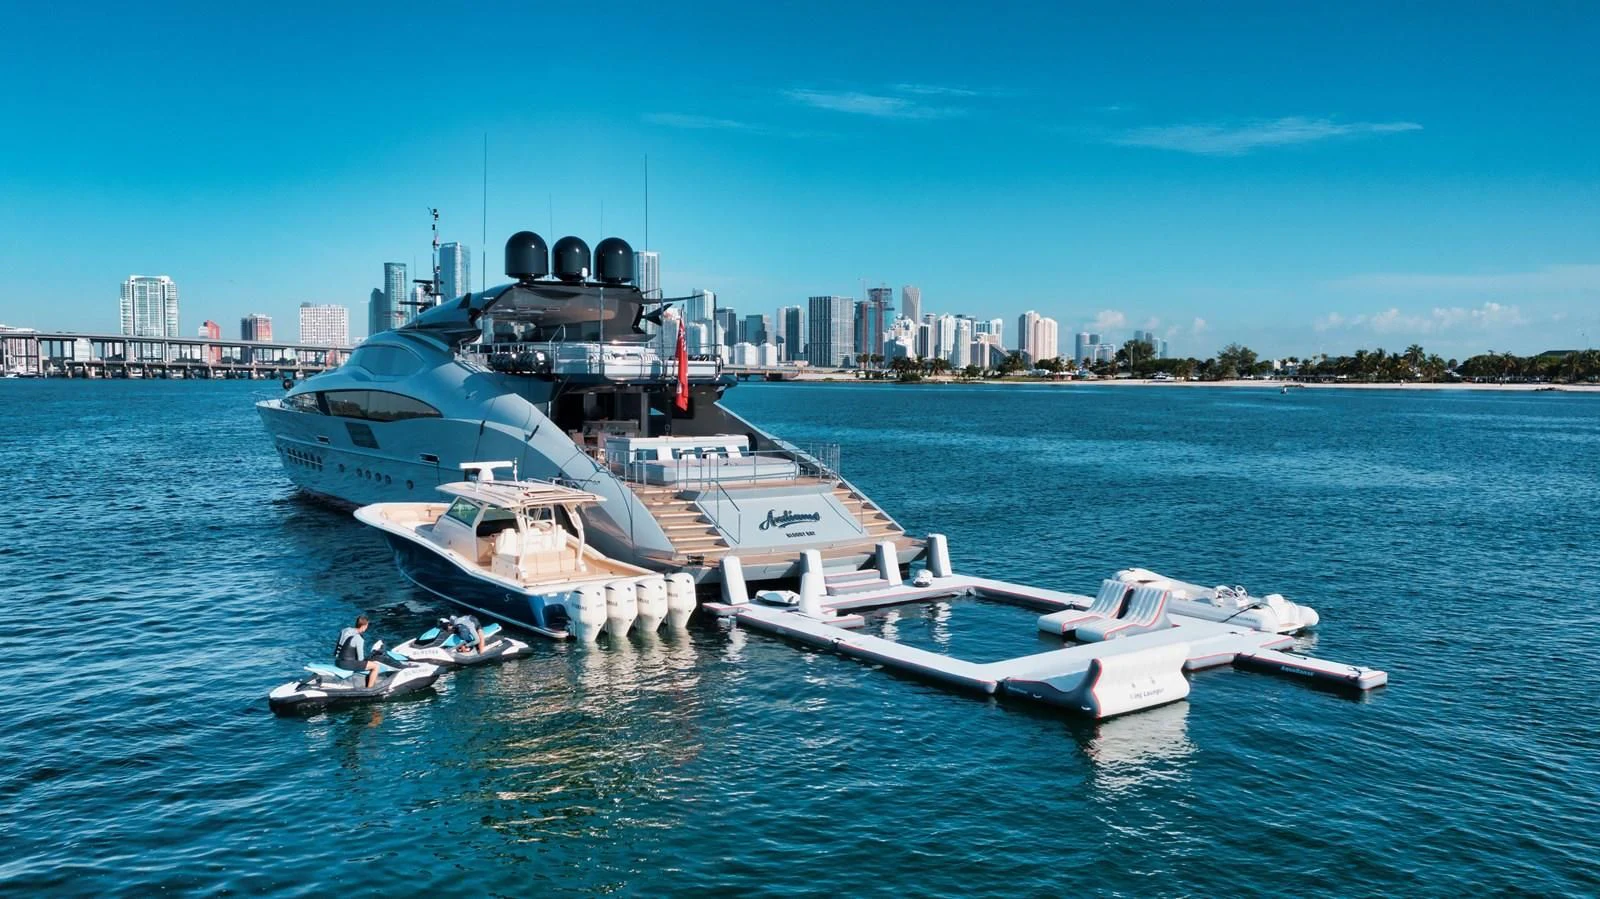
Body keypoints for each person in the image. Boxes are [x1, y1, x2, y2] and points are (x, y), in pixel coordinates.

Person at [334, 615, 382, 689]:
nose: (367, 628)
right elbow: (360, 659)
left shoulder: (345, 630)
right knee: (376, 666)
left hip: (337, 661)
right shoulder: (359, 638)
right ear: (364, 626)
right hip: (346, 664)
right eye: (367, 626)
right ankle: (370, 689)